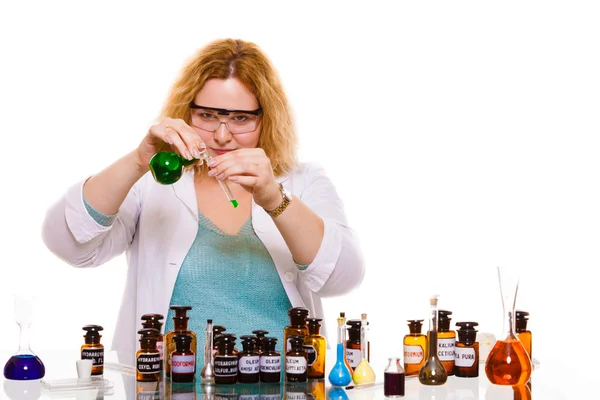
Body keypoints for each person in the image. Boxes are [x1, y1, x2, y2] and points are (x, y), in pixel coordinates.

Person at [41, 38, 365, 366]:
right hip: (172, 388)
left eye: (240, 119)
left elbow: (343, 277)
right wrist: (139, 160)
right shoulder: (152, 186)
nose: (222, 135)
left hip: (283, 386)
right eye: (208, 115)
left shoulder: (303, 181)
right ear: (187, 112)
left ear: (265, 118)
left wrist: (273, 199)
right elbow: (69, 243)